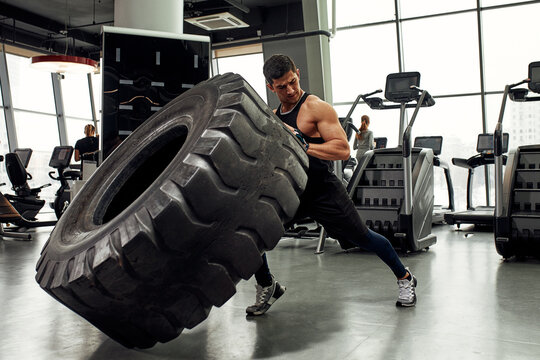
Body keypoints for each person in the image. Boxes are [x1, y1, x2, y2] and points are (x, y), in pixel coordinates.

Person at [245, 54, 417, 316]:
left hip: (322, 189)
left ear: (298, 73)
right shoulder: (273, 117)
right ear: (271, 87)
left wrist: (303, 143)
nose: (290, 90)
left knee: (362, 237)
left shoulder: (316, 107)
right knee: (252, 234)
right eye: (282, 86)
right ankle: (268, 285)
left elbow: (342, 149)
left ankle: (405, 277)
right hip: (291, 190)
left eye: (292, 81)